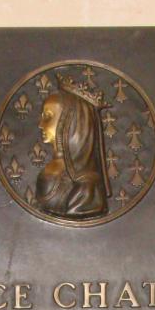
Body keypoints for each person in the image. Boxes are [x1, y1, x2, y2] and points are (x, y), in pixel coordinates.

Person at [35, 74, 111, 219]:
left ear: (70, 123)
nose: (40, 125)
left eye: (48, 116)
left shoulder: (87, 187)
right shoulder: (55, 170)